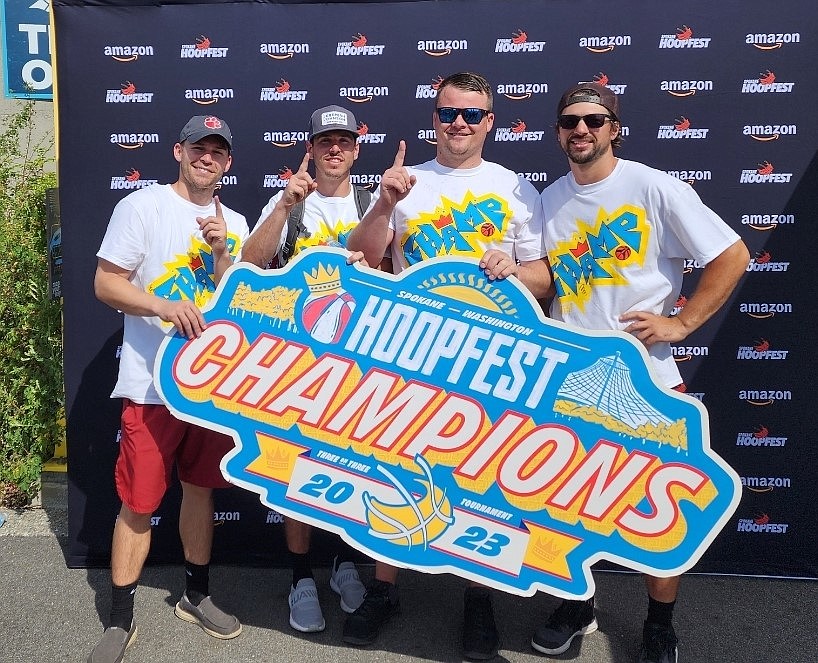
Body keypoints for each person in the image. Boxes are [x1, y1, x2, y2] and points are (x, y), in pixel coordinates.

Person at [529, 83, 750, 663]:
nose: (582, 131)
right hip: (573, 376)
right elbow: (547, 279)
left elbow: (731, 254)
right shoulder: (549, 200)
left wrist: (683, 322)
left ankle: (659, 624)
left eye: (594, 121)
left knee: (659, 505)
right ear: (558, 132)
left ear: (614, 128)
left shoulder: (653, 186)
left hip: (645, 376)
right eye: (570, 121)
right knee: (560, 503)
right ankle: (577, 606)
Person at [344, 71, 552, 661]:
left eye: (470, 114)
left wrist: (514, 271)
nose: (457, 123)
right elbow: (361, 255)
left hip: (493, 356)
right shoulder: (407, 182)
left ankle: (479, 602)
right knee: (391, 461)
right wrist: (384, 203)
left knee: (483, 476)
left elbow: (545, 277)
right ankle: (385, 591)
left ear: (489, 122)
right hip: (412, 348)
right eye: (447, 113)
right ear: (433, 118)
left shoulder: (516, 189)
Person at [89, 115, 249, 663]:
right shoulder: (142, 206)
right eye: (198, 148)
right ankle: (119, 616)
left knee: (200, 490)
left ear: (228, 163)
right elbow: (105, 282)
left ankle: (196, 594)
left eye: (217, 152)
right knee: (138, 502)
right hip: (151, 384)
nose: (207, 158)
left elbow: (244, 308)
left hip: (211, 391)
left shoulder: (239, 221)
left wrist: (225, 257)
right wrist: (161, 305)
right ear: (178, 151)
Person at [241, 105, 378, 634]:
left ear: (356, 149)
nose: (335, 150)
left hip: (364, 367)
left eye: (344, 141)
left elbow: (403, 275)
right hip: (299, 366)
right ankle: (300, 576)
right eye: (326, 142)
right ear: (312, 148)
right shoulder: (292, 204)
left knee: (355, 469)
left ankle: (344, 565)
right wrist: (282, 205)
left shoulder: (374, 203)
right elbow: (247, 267)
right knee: (298, 470)